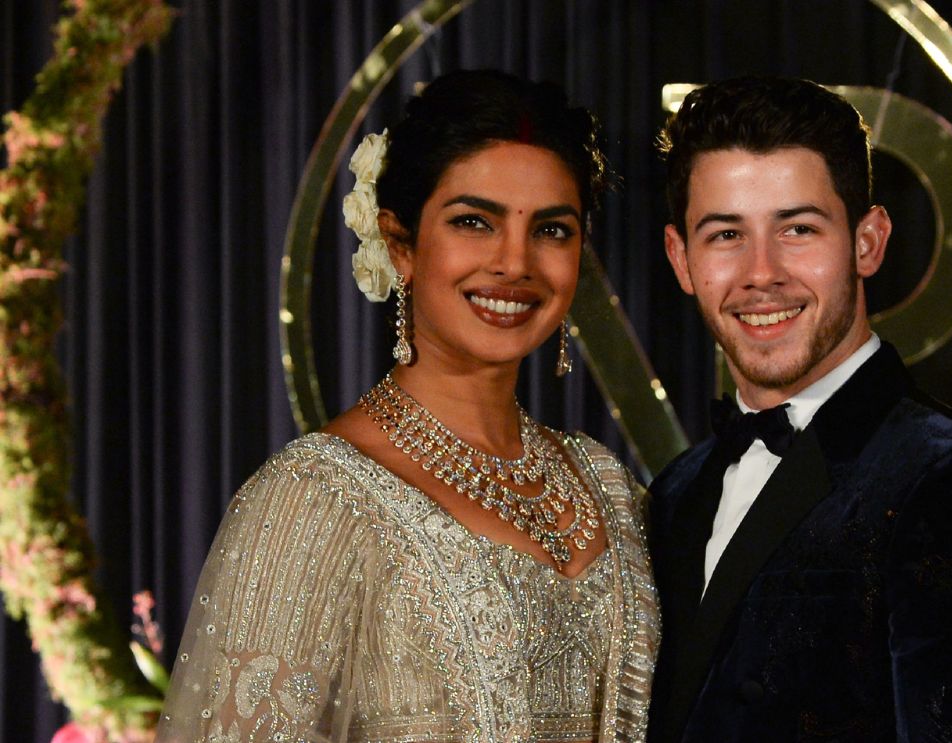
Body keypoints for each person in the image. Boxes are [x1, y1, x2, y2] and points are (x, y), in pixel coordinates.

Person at [157, 70, 657, 743]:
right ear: (400, 244)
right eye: (473, 222)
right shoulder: (314, 500)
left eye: (552, 230)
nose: (515, 262)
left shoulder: (605, 486)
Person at [647, 76, 952, 742]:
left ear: (867, 241)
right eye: (726, 234)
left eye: (797, 229)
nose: (761, 272)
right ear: (681, 258)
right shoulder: (674, 493)